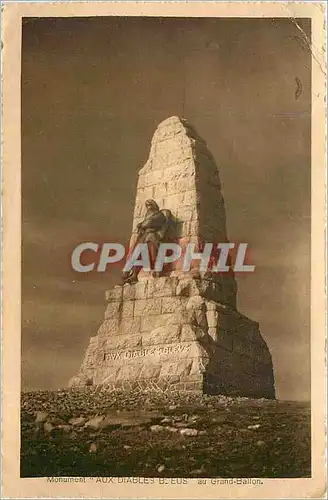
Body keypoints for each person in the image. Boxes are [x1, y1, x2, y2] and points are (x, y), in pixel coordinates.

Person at [122, 199, 171, 284]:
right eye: (147, 206)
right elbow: (145, 223)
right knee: (137, 249)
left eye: (150, 205)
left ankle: (157, 268)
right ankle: (133, 273)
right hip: (145, 236)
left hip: (154, 237)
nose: (149, 207)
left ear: (154, 206)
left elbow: (148, 223)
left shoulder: (159, 215)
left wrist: (142, 225)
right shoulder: (148, 216)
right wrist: (142, 225)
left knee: (150, 242)